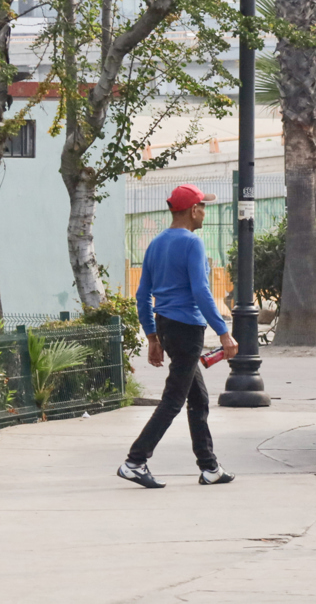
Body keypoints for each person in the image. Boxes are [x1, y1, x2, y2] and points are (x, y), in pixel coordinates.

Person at [119, 184, 239, 489]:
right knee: (174, 399)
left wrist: (152, 337)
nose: (205, 213)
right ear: (192, 210)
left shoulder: (156, 244)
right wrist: (224, 333)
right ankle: (135, 461)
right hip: (187, 329)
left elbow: (142, 294)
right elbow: (201, 291)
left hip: (167, 327)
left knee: (198, 399)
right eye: (203, 207)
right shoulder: (191, 243)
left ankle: (210, 467)